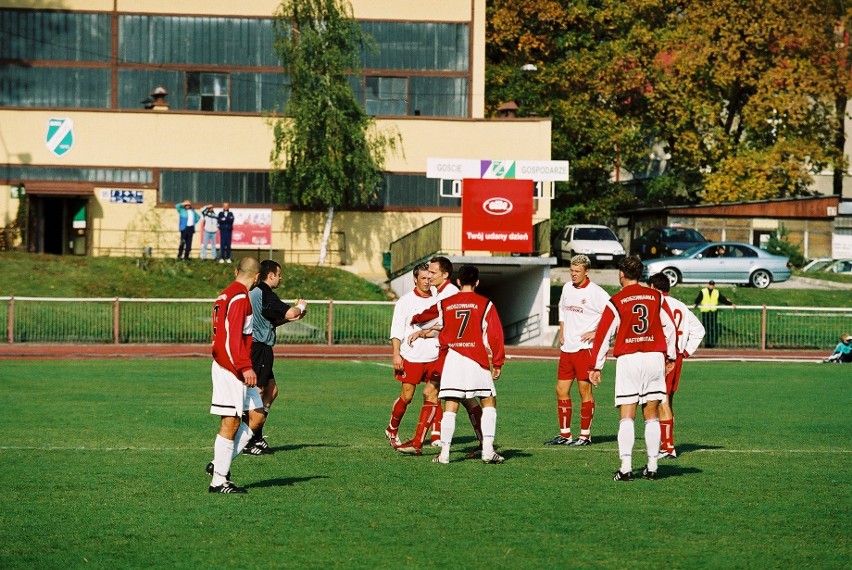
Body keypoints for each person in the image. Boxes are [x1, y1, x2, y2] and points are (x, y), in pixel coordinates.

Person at [589, 256, 676, 481]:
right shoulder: (656, 296)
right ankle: (653, 466)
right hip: (654, 357)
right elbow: (670, 327)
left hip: (629, 359)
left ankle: (626, 467)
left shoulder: (616, 300)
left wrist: (595, 366)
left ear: (621, 274)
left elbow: (603, 336)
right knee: (651, 413)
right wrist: (671, 356)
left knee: (627, 415)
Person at [410, 256, 485, 454]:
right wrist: (425, 331)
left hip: (452, 353)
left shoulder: (450, 293)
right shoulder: (442, 292)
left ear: (445, 275)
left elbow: (440, 318)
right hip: (449, 352)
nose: (429, 275)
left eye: (433, 272)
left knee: (433, 393)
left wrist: (417, 321)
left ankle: (418, 443)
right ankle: (484, 443)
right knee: (466, 398)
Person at [433, 264, 506, 465]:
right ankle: (488, 451)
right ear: (477, 282)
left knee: (451, 404)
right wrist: (498, 362)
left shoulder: (445, 303)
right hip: (476, 359)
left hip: (454, 359)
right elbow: (495, 335)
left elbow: (427, 319)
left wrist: (417, 325)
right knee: (488, 400)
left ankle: (445, 454)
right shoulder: (485, 303)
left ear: (458, 281)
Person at [205, 257, 263, 493]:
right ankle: (219, 480)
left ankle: (219, 465)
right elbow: (232, 337)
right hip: (231, 367)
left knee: (257, 415)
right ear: (257, 277)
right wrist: (243, 366)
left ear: (236, 270)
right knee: (230, 421)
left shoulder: (226, 294)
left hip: (232, 364)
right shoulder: (239, 296)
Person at [545, 254, 610, 447]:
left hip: (585, 350)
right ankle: (565, 434)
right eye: (571, 271)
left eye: (577, 271)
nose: (573, 274)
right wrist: (562, 331)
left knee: (584, 391)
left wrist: (596, 332)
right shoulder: (566, 288)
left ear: (586, 271)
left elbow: (613, 316)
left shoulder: (597, 293)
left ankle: (585, 435)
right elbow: (562, 309)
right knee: (561, 390)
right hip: (568, 349)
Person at [245, 259, 308, 455]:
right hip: (259, 349)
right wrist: (301, 307)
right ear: (270, 275)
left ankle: (256, 436)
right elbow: (290, 311)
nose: (280, 278)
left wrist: (290, 318)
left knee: (271, 391)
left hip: (260, 347)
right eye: (279, 275)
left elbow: (271, 320)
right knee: (259, 391)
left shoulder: (257, 293)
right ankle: (247, 440)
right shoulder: (264, 293)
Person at [385, 263, 442, 454]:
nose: (427, 281)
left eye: (429, 278)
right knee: (407, 396)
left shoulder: (439, 299)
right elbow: (396, 329)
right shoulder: (405, 301)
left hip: (434, 355)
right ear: (415, 279)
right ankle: (392, 428)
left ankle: (433, 436)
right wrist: (396, 354)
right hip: (411, 356)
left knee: (433, 395)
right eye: (423, 278)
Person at [647, 273, 705, 458]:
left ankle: (668, 447)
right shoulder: (681, 306)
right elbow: (699, 330)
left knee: (660, 399)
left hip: (662, 356)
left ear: (654, 288)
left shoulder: (656, 304)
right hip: (676, 356)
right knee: (667, 399)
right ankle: (666, 442)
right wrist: (685, 352)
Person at [693, 279, 733, 348]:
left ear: (714, 286)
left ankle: (711, 343)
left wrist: (730, 304)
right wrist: (696, 303)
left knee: (712, 328)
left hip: (713, 312)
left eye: (712, 285)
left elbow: (722, 299)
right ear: (708, 285)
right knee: (706, 328)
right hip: (705, 312)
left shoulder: (716, 292)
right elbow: (699, 298)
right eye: (710, 285)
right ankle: (707, 342)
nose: (711, 286)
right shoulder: (703, 291)